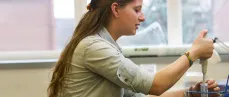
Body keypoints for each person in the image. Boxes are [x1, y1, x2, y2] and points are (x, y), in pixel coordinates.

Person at [48, 0, 220, 97]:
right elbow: (156, 85)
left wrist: (190, 93)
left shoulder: (106, 47)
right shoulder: (94, 47)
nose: (143, 17)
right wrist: (193, 53)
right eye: (137, 10)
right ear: (115, 9)